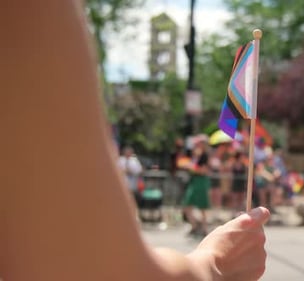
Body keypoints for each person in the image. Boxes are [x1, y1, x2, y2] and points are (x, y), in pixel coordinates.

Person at [2, 1, 269, 280]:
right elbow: (102, 268)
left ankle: (199, 225)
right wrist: (215, 264)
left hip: (198, 181)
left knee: (195, 207)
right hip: (192, 187)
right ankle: (198, 226)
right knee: (191, 208)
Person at [181, 135, 211, 237]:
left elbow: (203, 171)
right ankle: (195, 226)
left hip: (200, 182)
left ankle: (204, 228)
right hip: (194, 181)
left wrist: (191, 167)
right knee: (187, 206)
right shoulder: (196, 156)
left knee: (202, 207)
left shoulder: (204, 156)